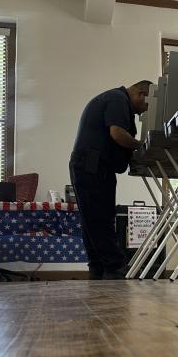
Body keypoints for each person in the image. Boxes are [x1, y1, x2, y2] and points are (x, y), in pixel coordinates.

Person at [69, 80, 150, 279]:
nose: (141, 114)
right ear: (141, 94)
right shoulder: (118, 99)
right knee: (101, 218)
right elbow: (117, 133)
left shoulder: (113, 98)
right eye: (144, 108)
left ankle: (98, 269)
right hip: (92, 166)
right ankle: (114, 267)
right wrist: (142, 146)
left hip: (90, 165)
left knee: (91, 220)